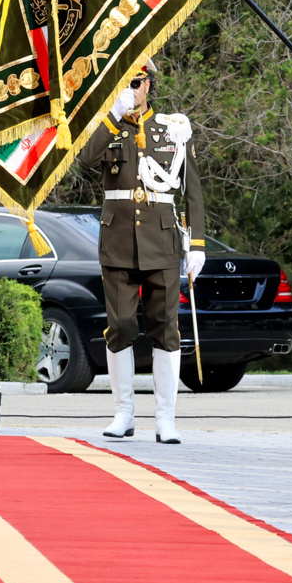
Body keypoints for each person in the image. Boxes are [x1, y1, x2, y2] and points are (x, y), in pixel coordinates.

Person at [77, 60, 205, 443]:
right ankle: (124, 412)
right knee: (119, 327)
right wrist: (114, 115)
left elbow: (192, 190)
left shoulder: (173, 129)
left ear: (149, 84)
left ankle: (165, 417)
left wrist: (196, 243)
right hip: (117, 241)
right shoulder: (106, 126)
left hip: (161, 240)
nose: (131, 88)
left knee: (165, 328)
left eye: (136, 81)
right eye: (124, 82)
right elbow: (85, 159)